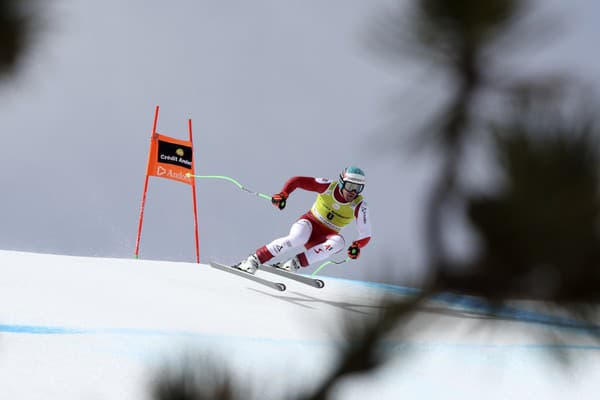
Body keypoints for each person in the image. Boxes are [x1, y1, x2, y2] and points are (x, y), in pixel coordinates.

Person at [237, 166, 372, 274]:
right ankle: (253, 260)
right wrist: (284, 194)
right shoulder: (328, 187)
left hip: (323, 237)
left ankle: (294, 263)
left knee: (339, 242)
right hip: (309, 224)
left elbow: (365, 234)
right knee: (297, 238)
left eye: (358, 188)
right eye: (350, 186)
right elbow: (297, 180)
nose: (353, 192)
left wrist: (357, 246)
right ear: (342, 183)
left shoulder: (360, 205)